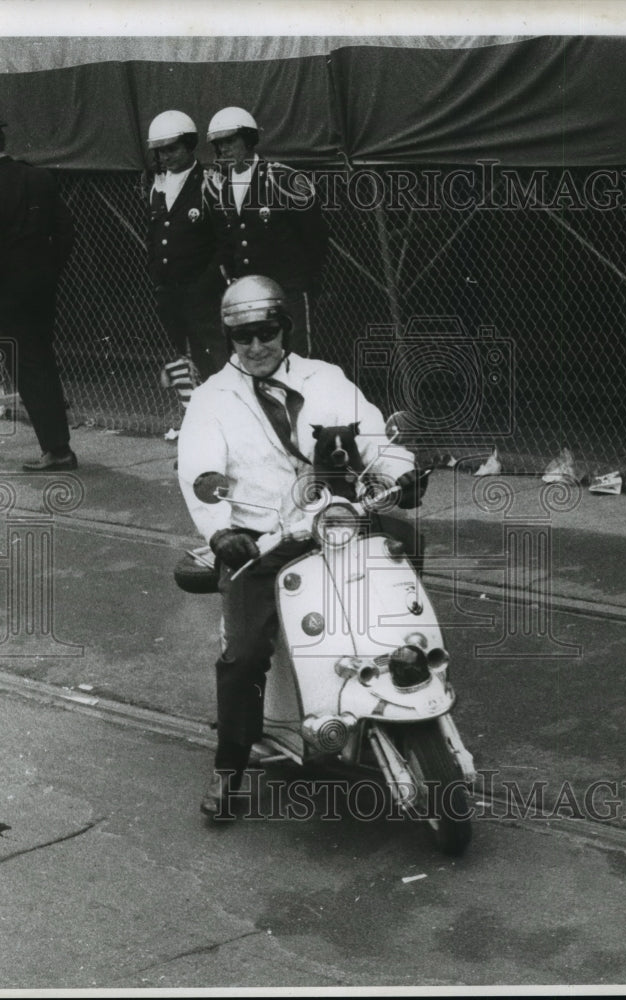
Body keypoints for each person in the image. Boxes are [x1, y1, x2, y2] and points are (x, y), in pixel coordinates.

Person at [177, 275, 426, 819]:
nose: (256, 346)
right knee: (243, 655)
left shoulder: (326, 379)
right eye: (243, 337)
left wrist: (400, 474)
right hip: (263, 542)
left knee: (408, 549)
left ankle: (403, 679)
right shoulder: (211, 399)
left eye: (266, 332)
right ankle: (229, 771)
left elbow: (376, 442)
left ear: (284, 328)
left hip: (339, 525)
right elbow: (202, 472)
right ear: (229, 339)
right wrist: (221, 531)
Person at [0, 116, 77, 471]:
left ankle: (56, 450)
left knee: (28, 371)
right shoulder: (39, 178)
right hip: (41, 290)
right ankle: (59, 444)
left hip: (7, 297)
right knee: (43, 362)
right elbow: (65, 233)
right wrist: (48, 272)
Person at [204, 107, 329, 357]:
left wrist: (305, 282)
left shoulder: (281, 178)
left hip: (288, 290)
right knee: (261, 358)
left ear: (249, 140)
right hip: (251, 294)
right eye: (218, 144)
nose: (223, 150)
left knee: (297, 358)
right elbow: (227, 240)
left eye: (230, 141)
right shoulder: (222, 187)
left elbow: (314, 235)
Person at [146, 110, 227, 413]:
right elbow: (154, 236)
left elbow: (223, 240)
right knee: (183, 359)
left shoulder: (209, 183)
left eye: (172, 149)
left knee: (213, 357)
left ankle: (224, 418)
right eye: (160, 151)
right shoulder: (157, 185)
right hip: (170, 291)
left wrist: (208, 281)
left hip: (202, 292)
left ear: (189, 146)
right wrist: (156, 274)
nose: (165, 156)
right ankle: (196, 418)